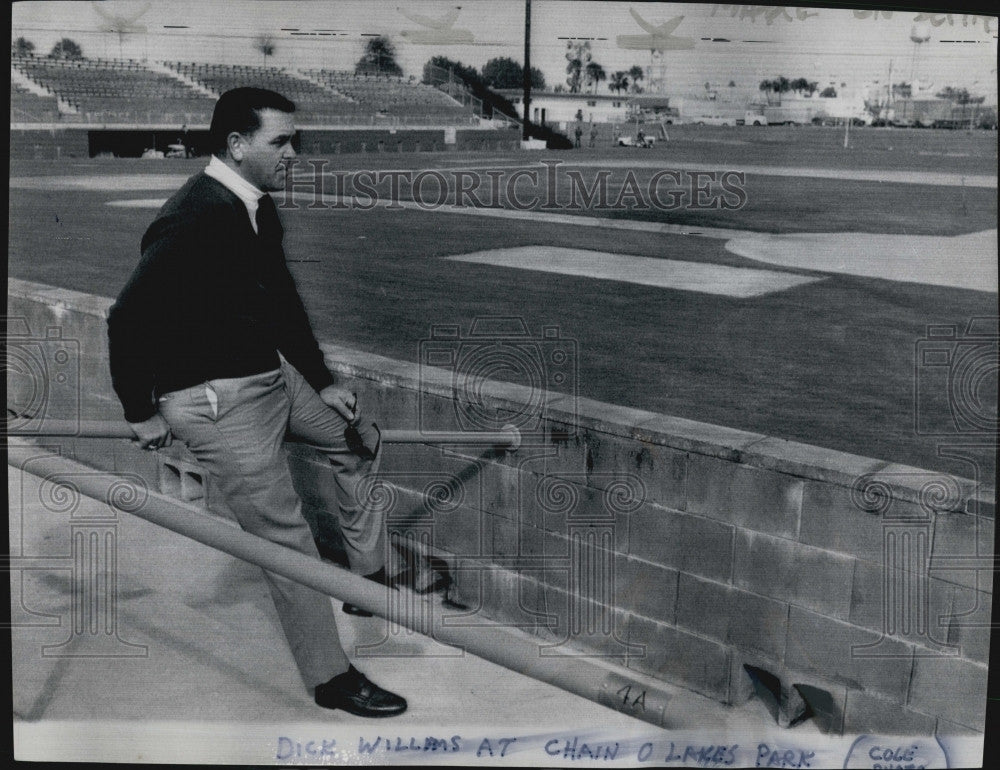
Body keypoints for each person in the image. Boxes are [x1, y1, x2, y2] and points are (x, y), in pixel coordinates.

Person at [107, 87, 406, 718]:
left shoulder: (255, 206)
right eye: (280, 141)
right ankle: (330, 678)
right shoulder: (192, 217)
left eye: (294, 139)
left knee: (358, 437)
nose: (293, 152)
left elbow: (279, 300)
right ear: (237, 146)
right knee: (284, 540)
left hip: (271, 378)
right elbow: (127, 317)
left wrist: (321, 378)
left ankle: (365, 582)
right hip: (217, 400)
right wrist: (141, 411)